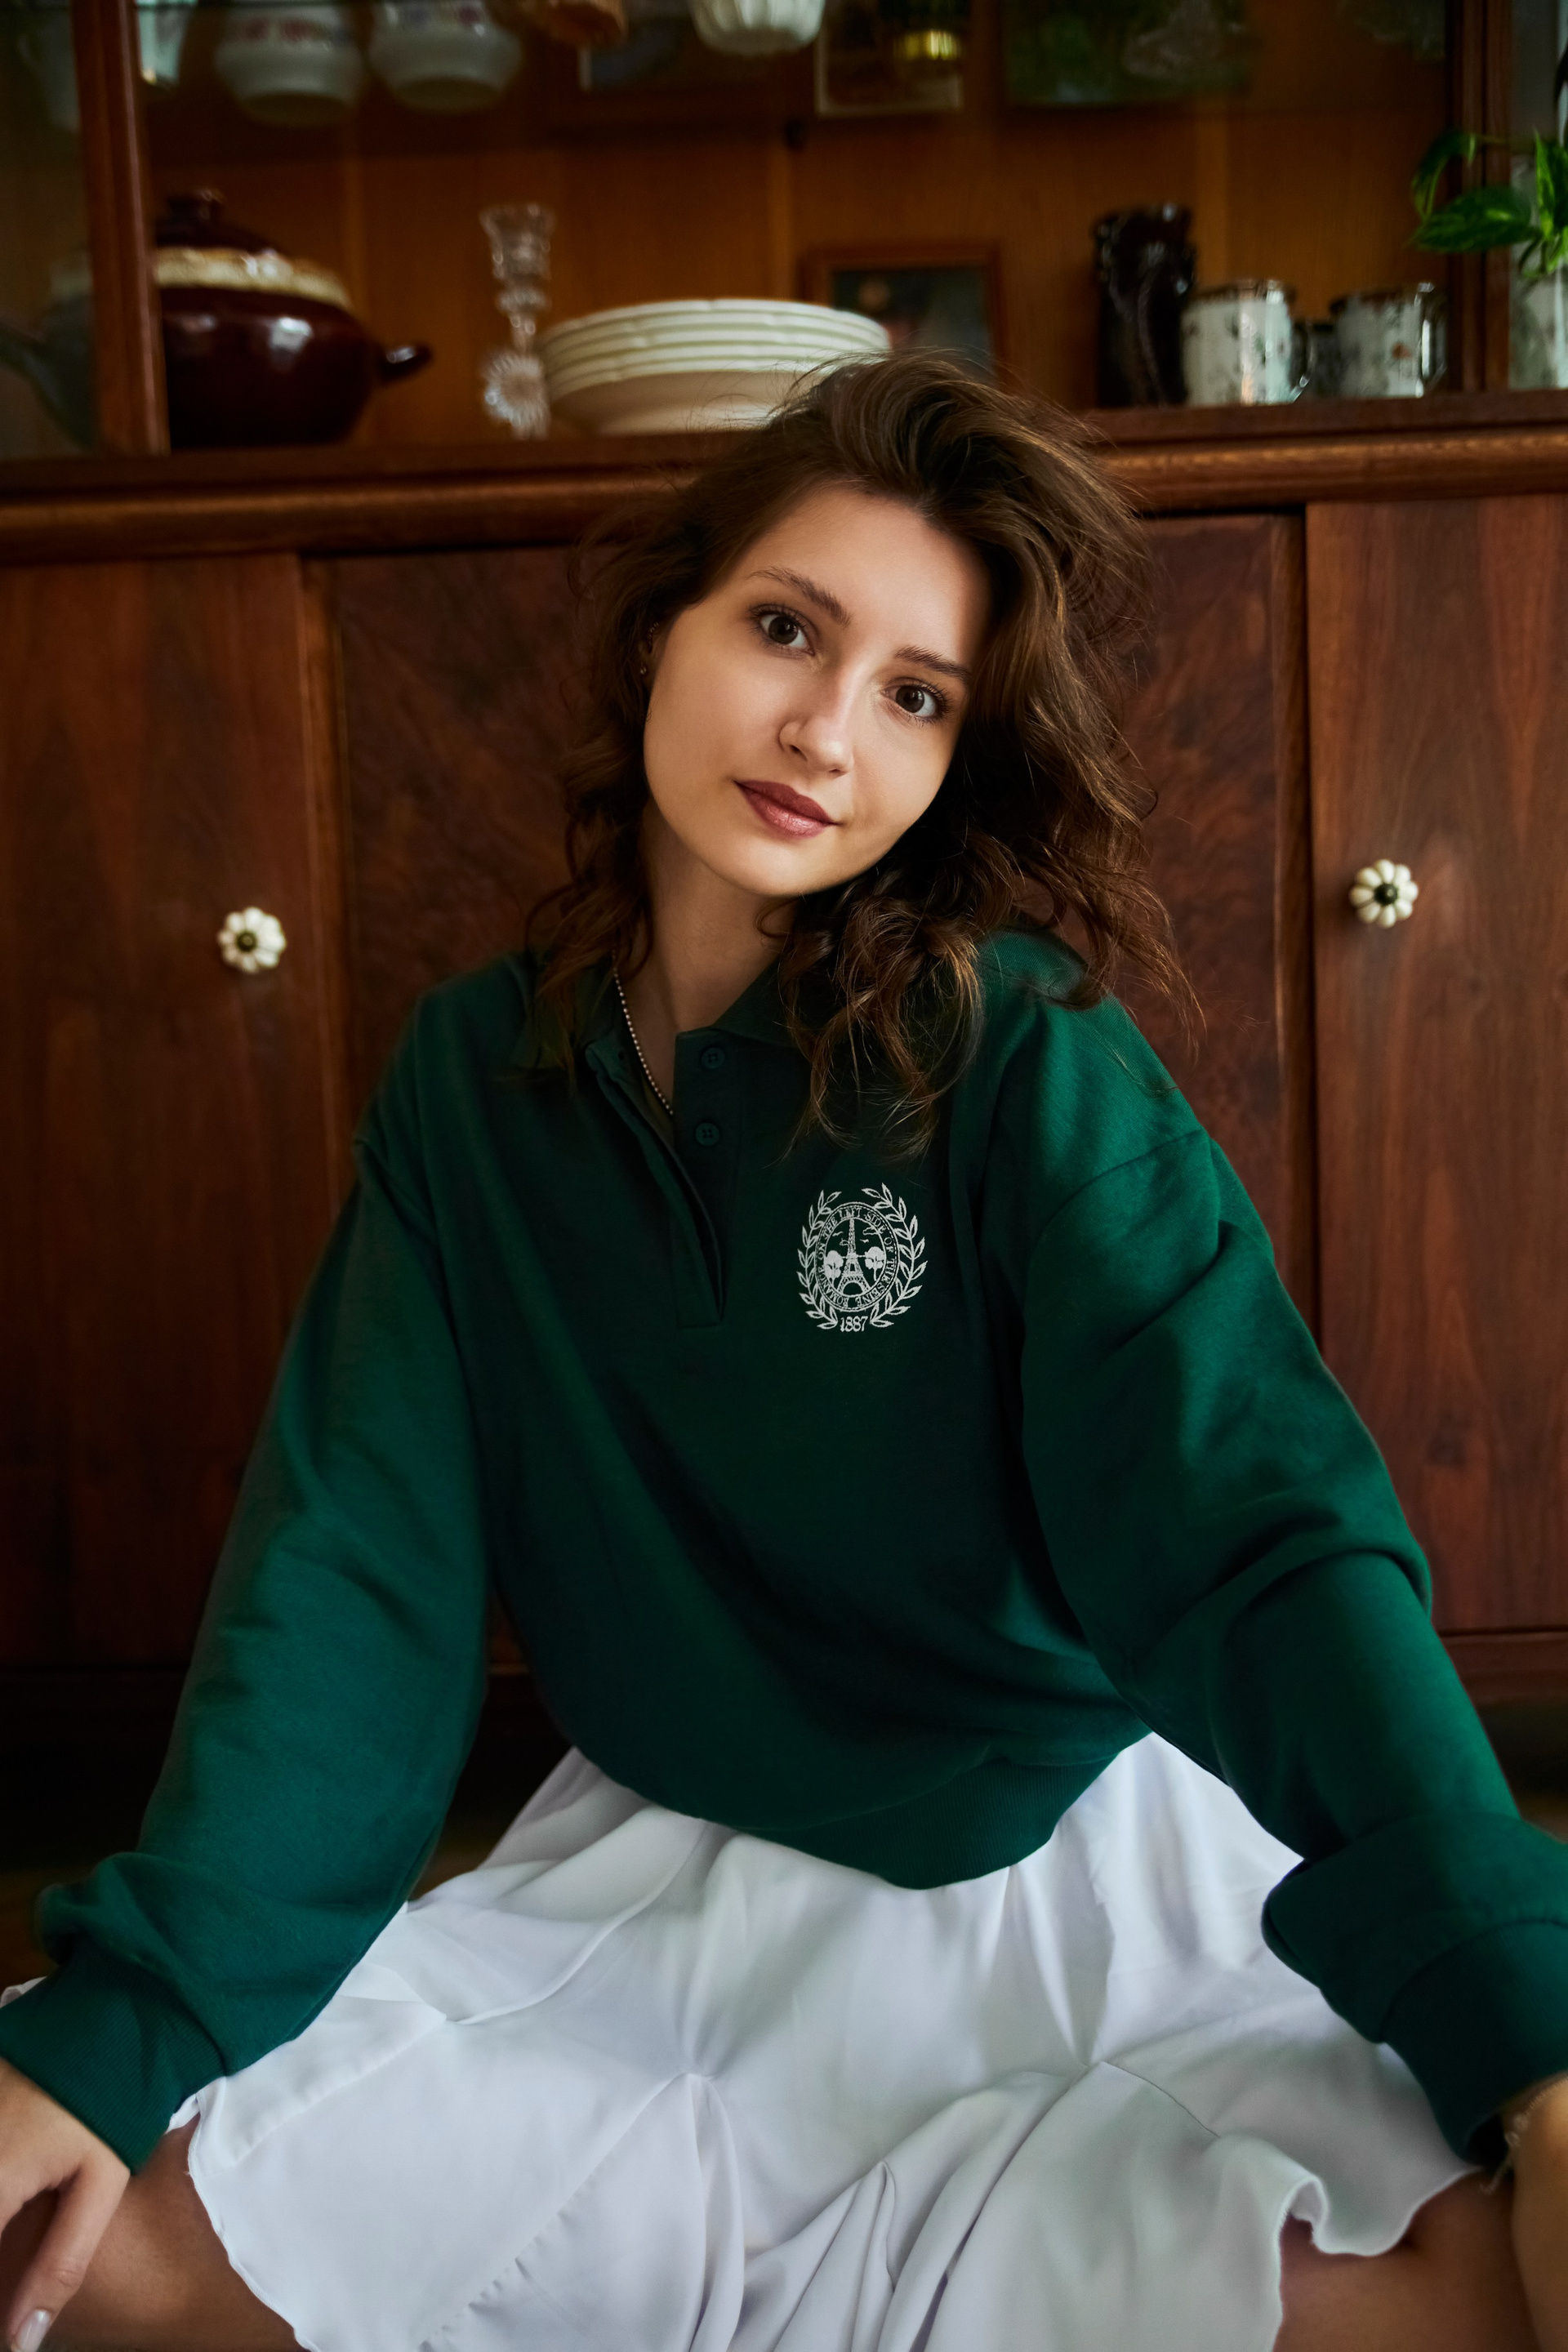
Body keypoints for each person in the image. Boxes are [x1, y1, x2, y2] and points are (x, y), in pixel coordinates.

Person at [2, 352, 1567, 2352]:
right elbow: (351, 1578)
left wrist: (1536, 2049)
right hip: (659, 1879)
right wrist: (126, 2027)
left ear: (957, 760)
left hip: (1056, 1873)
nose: (829, 732)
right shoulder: (472, 1081)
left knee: (1485, 2289)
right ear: (666, 628)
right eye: (786, 630)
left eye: (917, 696)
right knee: (91, 2241)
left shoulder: (1024, 1057)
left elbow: (1263, 1543)